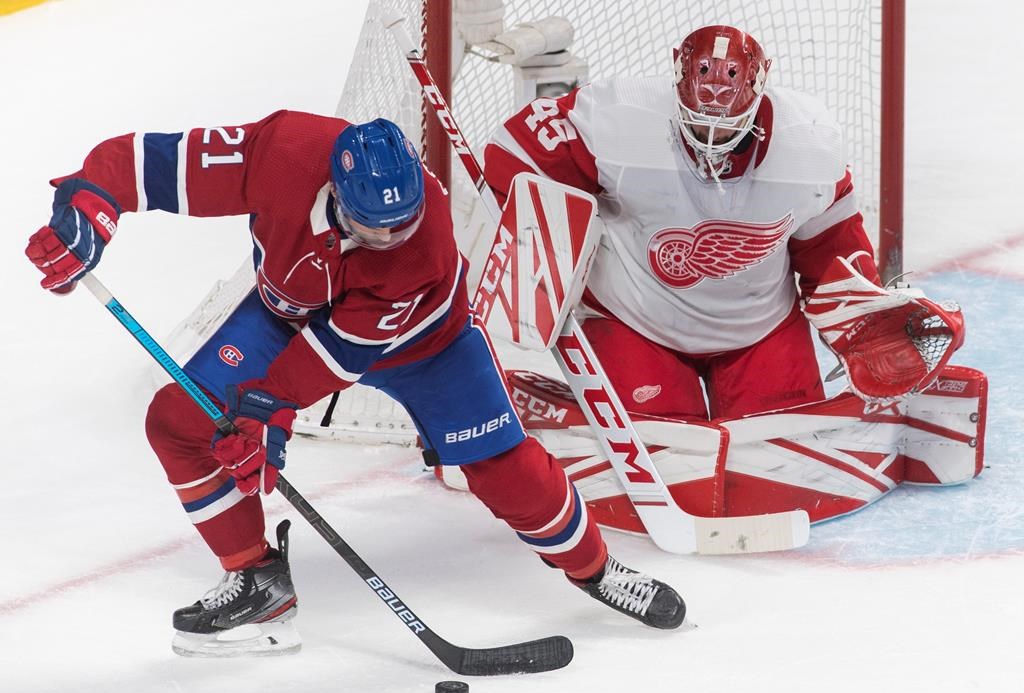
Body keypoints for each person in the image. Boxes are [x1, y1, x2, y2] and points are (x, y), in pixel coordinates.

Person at [25, 113, 686, 657]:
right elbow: (146, 162)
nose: (386, 236)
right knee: (177, 422)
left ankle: (596, 569)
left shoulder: (417, 249)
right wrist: (90, 205)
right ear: (337, 192)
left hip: (429, 346)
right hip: (285, 320)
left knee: (503, 468)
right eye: (371, 224)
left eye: (397, 223)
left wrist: (265, 418)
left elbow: (332, 356)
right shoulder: (282, 151)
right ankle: (257, 578)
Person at [483, 24, 962, 424]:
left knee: (782, 445)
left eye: (728, 127)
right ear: (675, 79)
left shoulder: (808, 145)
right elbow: (511, 152)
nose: (712, 139)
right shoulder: (617, 117)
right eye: (696, 122)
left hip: (760, 329)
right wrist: (547, 258)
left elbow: (830, 248)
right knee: (665, 440)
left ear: (760, 86)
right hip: (634, 321)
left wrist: (863, 318)